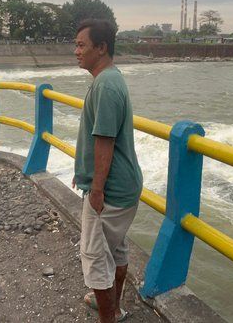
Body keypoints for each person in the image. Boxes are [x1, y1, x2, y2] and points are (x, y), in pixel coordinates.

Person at [73, 19, 143, 323]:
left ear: (101, 48)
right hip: (123, 185)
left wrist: (97, 189)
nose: (75, 51)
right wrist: (85, 173)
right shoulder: (110, 79)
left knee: (94, 256)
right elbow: (100, 139)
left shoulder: (105, 85)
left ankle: (108, 317)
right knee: (114, 249)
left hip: (111, 189)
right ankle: (114, 308)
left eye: (81, 45)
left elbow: (105, 141)